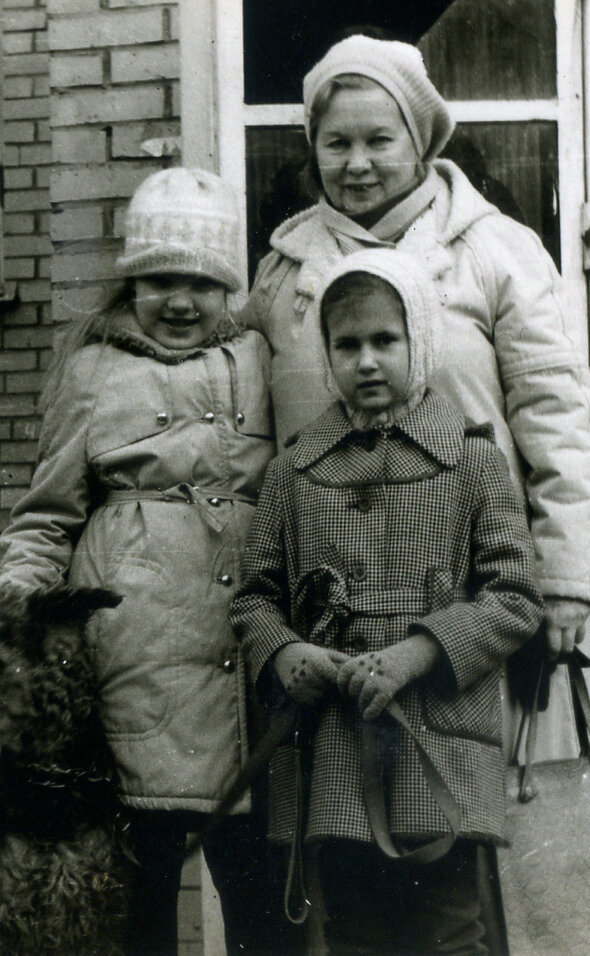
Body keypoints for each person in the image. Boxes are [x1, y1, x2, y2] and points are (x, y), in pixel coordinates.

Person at [238, 34, 590, 724]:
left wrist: (565, 582)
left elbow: (557, 417)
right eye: (336, 143)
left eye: (380, 139)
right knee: (348, 810)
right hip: (334, 617)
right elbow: (254, 444)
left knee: (467, 804)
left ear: (422, 139)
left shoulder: (495, 251)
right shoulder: (283, 272)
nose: (358, 164)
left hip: (470, 597)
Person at [0, 167, 295, 955]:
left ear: (228, 286)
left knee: (259, 875)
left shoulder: (262, 359)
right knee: (140, 885)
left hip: (245, 645)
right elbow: (47, 512)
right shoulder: (92, 368)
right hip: (135, 653)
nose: (182, 302)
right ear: (133, 280)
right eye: (161, 280)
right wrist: (18, 600)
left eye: (201, 282)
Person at [231, 248, 544, 955]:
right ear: (328, 355)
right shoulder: (295, 468)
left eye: (385, 341)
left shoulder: (472, 461)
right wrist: (288, 653)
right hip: (333, 735)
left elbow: (516, 595)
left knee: (449, 926)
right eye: (347, 345)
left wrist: (418, 652)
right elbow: (255, 599)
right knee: (354, 929)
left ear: (421, 342)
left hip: (437, 724)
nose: (366, 361)